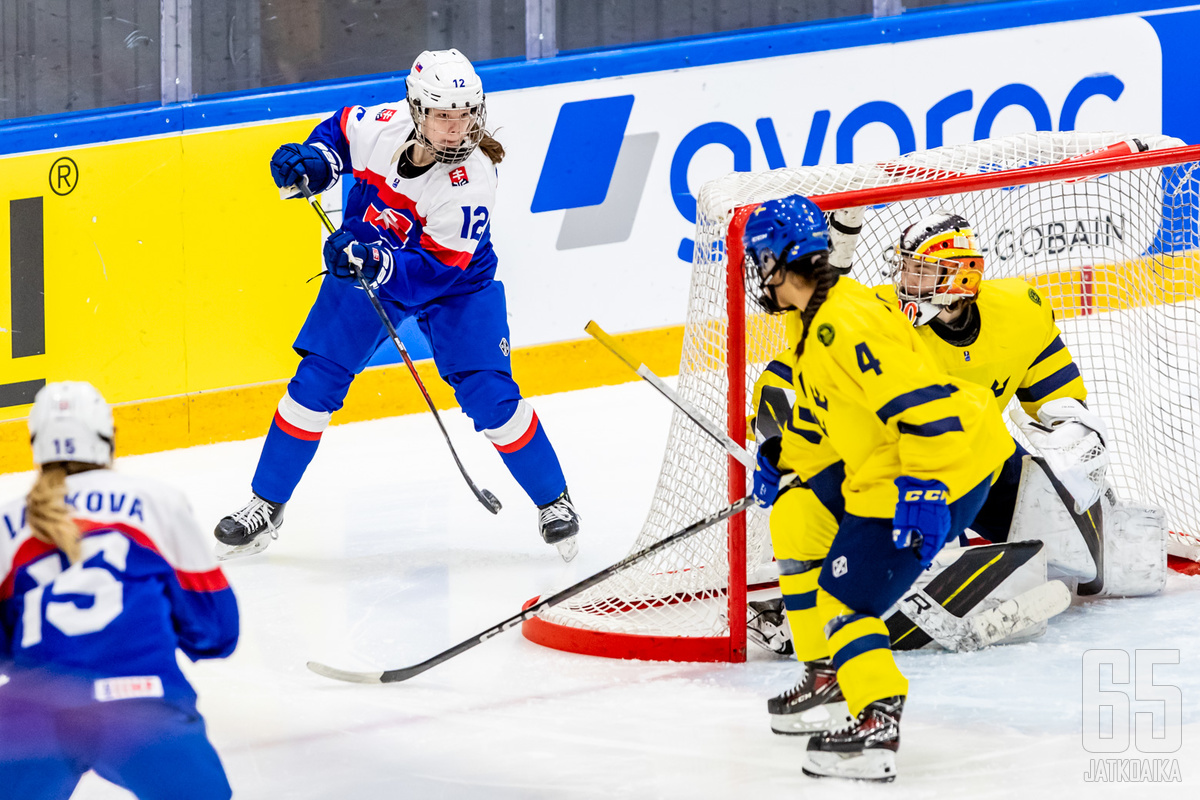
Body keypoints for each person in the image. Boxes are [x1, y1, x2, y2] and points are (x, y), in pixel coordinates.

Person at [213, 48, 580, 562]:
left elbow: (437, 270)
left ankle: (553, 501)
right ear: (416, 110)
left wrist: (372, 260)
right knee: (316, 380)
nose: (456, 130)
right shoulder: (383, 127)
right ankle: (265, 504)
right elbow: (338, 132)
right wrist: (314, 165)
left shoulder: (471, 181)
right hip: (369, 268)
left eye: (465, 117)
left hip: (456, 285)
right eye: (444, 117)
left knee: (488, 395)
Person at [747, 210, 1164, 661]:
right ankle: (838, 604)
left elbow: (1058, 396)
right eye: (905, 267)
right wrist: (783, 442)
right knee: (919, 555)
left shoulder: (1019, 311)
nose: (905, 280)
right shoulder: (881, 315)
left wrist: (1073, 440)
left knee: (1094, 564)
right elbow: (786, 375)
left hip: (982, 458)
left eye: (920, 270)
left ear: (962, 278)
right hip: (898, 469)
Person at [741, 196, 1016, 782]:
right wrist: (780, 458)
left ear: (779, 263)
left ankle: (875, 721)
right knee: (795, 517)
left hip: (943, 462)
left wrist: (923, 489)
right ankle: (829, 678)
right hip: (897, 458)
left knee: (849, 601)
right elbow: (824, 416)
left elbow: (925, 409)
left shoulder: (845, 323)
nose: (753, 272)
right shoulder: (808, 321)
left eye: (757, 259)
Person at [0, 382, 240, 800]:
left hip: (30, 716)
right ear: (108, 439)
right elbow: (216, 631)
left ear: (36, 445)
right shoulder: (156, 501)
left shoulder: (5, 523)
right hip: (141, 702)